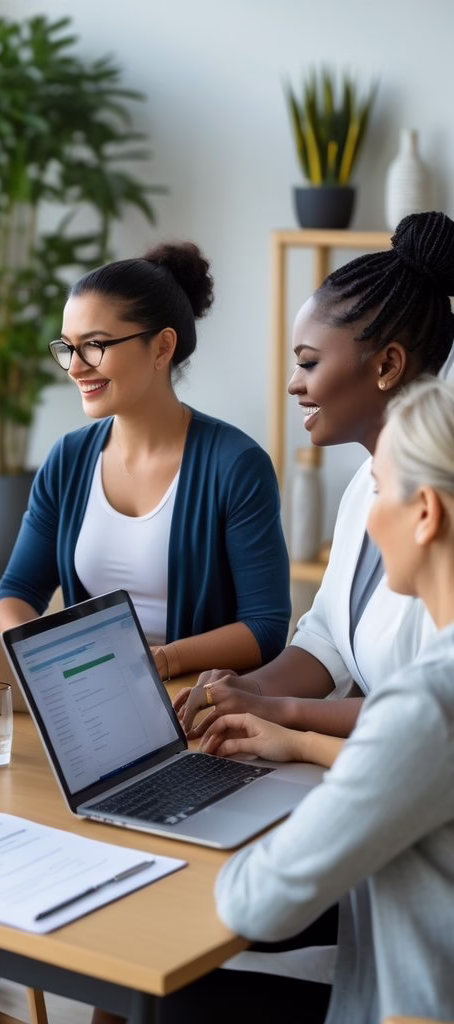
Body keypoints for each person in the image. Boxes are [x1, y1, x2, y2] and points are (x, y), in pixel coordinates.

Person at [181, 376, 454, 1024]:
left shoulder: (426, 700)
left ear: (425, 513)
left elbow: (255, 903)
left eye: (379, 490)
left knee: (171, 997)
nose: (367, 519)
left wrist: (189, 852)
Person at [175, 211, 454, 739]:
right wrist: (249, 690)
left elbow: (433, 707)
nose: (292, 384)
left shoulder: (440, 511)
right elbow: (326, 638)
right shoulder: (364, 487)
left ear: (387, 366)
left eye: (308, 363)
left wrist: (286, 717)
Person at [0, 242, 290, 678]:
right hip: (94, 692)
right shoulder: (68, 460)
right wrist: (49, 662)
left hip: (197, 701)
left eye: (95, 345)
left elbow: (266, 628)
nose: (75, 367)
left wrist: (160, 661)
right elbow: (15, 594)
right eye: (68, 347)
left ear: (162, 348)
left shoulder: (237, 466)